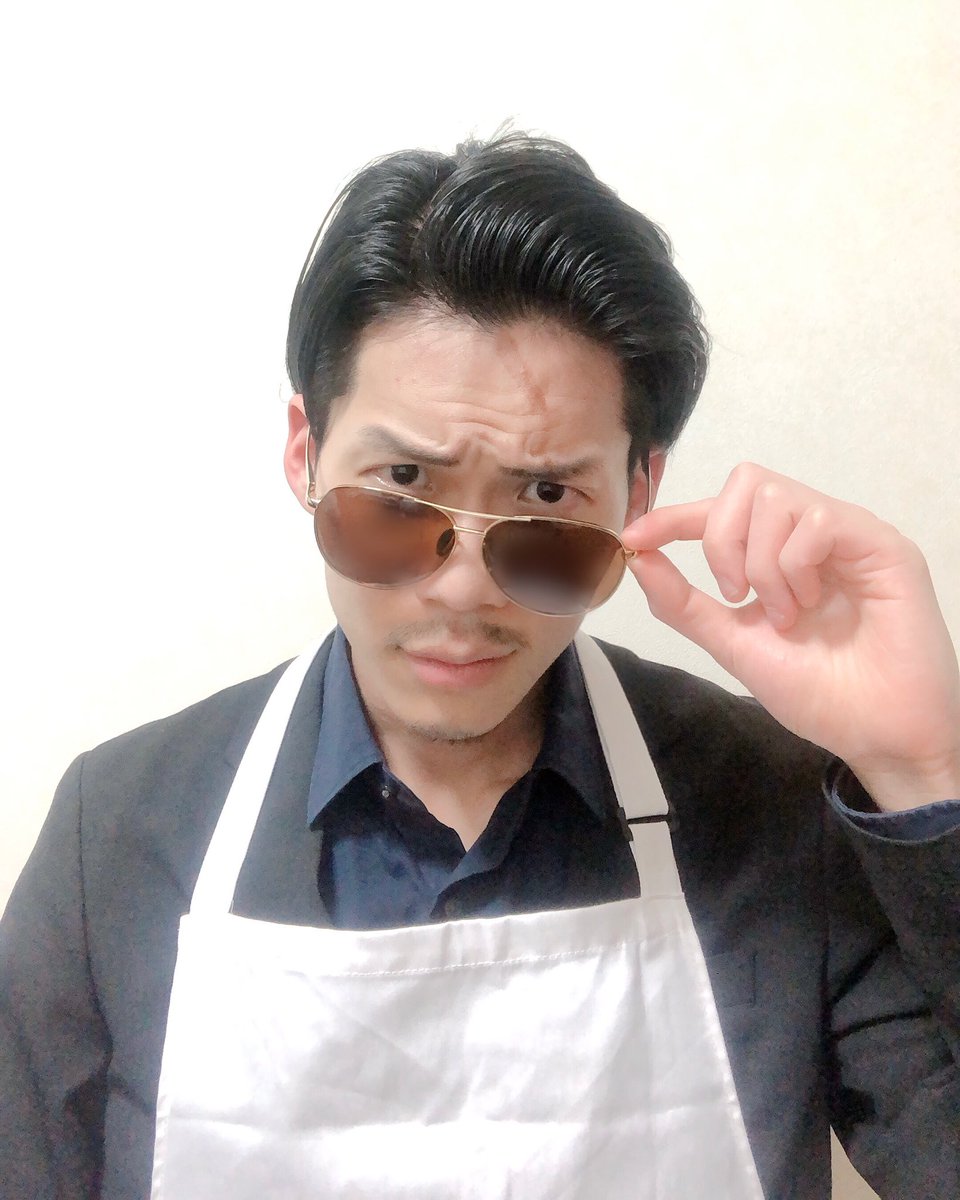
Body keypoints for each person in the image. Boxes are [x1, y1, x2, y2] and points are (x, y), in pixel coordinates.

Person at [1, 131, 958, 1200]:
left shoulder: (772, 807)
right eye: (402, 487)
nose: (463, 590)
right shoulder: (116, 834)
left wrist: (924, 770)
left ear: (639, 496)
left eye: (546, 499)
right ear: (305, 453)